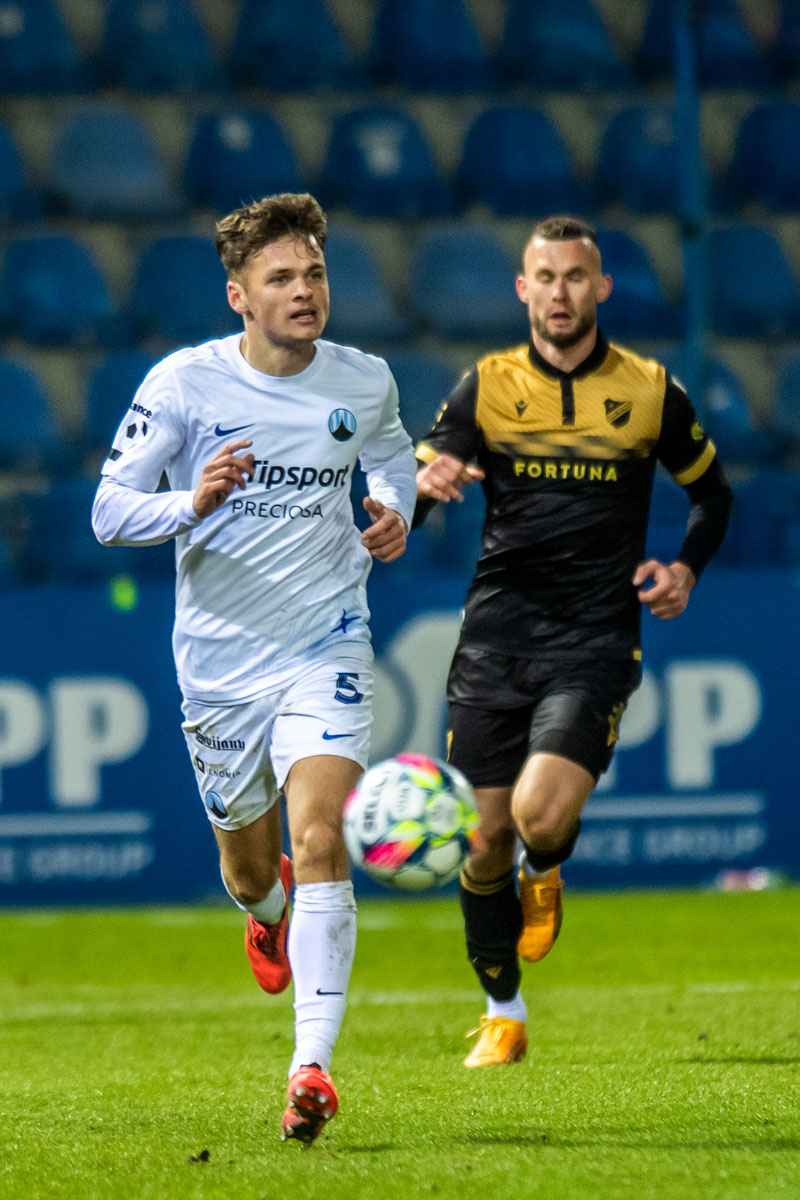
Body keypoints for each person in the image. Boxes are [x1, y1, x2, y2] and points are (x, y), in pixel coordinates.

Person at [92, 192, 417, 1141]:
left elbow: (392, 456)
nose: (305, 290)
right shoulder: (185, 386)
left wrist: (394, 509)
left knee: (320, 837)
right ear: (239, 295)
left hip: (327, 641)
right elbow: (108, 511)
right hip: (221, 668)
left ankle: (310, 1069)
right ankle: (265, 911)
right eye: (281, 278)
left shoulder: (364, 381)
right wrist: (190, 504)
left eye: (314, 272)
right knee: (250, 870)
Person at [413, 214, 733, 1068]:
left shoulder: (649, 391)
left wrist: (685, 569)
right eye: (546, 278)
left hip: (593, 638)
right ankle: (503, 1012)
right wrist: (426, 482)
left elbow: (713, 495)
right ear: (524, 289)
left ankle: (545, 866)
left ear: (602, 287)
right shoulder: (485, 387)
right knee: (482, 842)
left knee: (539, 815)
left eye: (576, 277)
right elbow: (421, 489)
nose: (561, 293)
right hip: (494, 639)